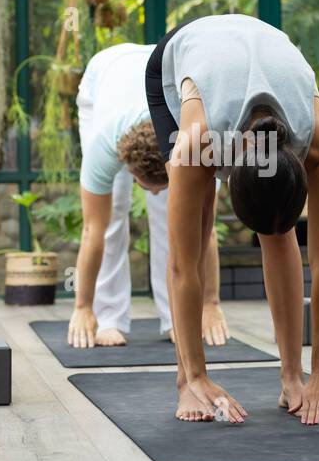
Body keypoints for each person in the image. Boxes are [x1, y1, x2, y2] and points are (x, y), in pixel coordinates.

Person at [146, 15, 319, 425]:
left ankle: (291, 376)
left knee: (278, 229)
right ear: (229, 173)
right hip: (184, 54)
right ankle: (186, 382)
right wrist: (198, 375)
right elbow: (182, 268)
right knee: (195, 231)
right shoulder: (196, 143)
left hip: (264, 48)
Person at [67, 42, 229, 349]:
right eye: (145, 185)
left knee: (177, 216)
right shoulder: (105, 141)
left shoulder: (197, 140)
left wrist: (211, 303)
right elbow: (92, 229)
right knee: (112, 210)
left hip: (161, 70)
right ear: (125, 164)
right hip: (107, 70)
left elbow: (205, 232)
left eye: (159, 185)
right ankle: (108, 317)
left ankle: (176, 318)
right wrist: (82, 306)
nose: (152, 192)